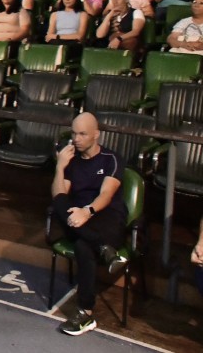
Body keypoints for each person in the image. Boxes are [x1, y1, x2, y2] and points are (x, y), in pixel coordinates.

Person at [51, 112, 129, 336]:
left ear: (96, 135)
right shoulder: (71, 160)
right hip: (76, 216)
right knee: (58, 203)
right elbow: (59, 194)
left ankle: (85, 313)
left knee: (83, 245)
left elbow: (106, 194)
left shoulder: (111, 158)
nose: (76, 139)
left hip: (106, 216)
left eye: (82, 134)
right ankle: (103, 248)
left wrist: (88, 211)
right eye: (74, 133)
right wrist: (60, 167)